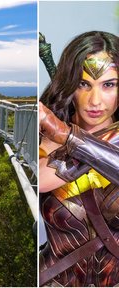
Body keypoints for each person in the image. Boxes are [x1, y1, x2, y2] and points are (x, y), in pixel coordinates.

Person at [39, 31, 119, 286]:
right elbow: (39, 180)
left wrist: (65, 135)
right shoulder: (44, 137)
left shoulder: (55, 132)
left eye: (109, 84)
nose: (95, 101)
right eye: (83, 84)